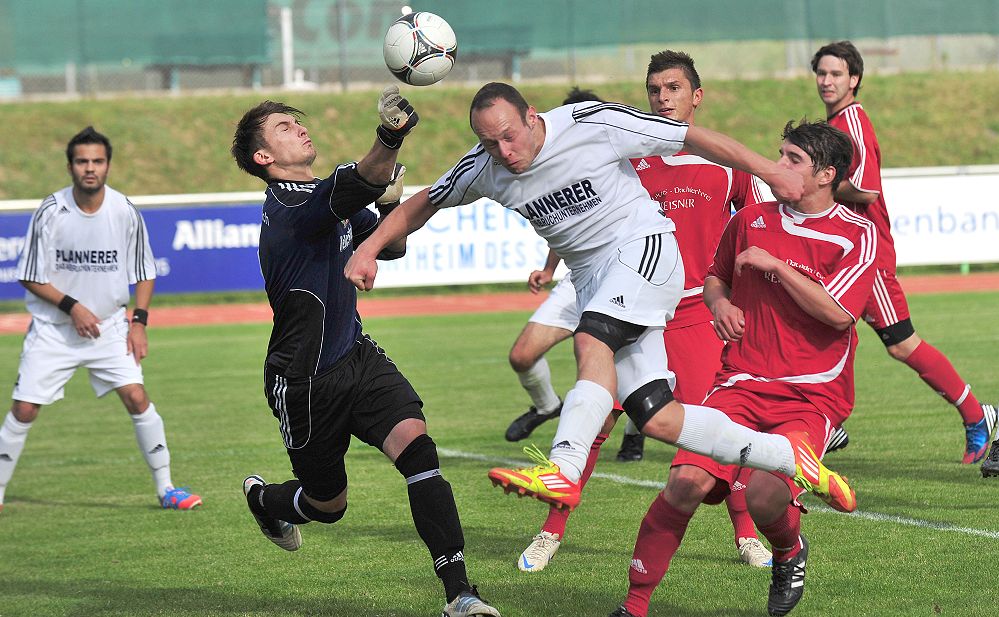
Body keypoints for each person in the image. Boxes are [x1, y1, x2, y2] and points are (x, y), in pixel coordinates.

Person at [345, 82, 858, 521]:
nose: (504, 150)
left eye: (510, 135)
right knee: (658, 417)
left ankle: (563, 468)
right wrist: (368, 249)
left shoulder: (589, 123)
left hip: (645, 248)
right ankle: (791, 458)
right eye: (489, 142)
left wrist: (769, 170)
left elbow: (689, 136)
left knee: (591, 339)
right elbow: (423, 202)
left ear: (531, 117)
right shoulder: (484, 166)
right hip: (594, 278)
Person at [229, 89, 500, 617]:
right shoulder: (291, 206)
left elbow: (392, 245)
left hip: (358, 356)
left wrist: (390, 201)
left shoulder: (323, 200)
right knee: (328, 505)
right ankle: (266, 501)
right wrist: (390, 136)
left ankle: (460, 595)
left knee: (419, 453)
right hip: (305, 381)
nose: (299, 129)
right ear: (263, 157)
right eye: (284, 127)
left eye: (297, 122)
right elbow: (361, 179)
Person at [512, 55, 775, 574]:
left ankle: (746, 533)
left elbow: (755, 232)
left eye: (674, 88)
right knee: (594, 422)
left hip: (697, 314)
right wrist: (552, 266)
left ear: (696, 96)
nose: (663, 98)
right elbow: (580, 218)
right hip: (632, 309)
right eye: (655, 89)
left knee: (717, 427)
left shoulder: (726, 165)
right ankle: (550, 531)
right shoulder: (628, 155)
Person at [609, 120, 878, 617]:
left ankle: (788, 550)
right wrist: (720, 305)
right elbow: (716, 278)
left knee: (763, 496)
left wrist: (777, 267)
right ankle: (633, 605)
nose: (777, 166)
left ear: (826, 175)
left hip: (810, 394)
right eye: (779, 154)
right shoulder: (751, 219)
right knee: (685, 483)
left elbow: (840, 314)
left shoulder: (857, 234)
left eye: (792, 159)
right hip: (739, 381)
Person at [811, 40, 997, 462]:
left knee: (900, 342)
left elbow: (866, 190)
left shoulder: (852, 122)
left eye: (836, 73)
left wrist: (811, 185)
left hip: (865, 255)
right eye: (822, 72)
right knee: (821, 326)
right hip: (840, 251)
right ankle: (827, 422)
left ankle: (976, 414)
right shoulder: (835, 123)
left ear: (854, 79)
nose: (827, 80)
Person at [0, 126, 201, 513]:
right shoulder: (51, 211)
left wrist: (138, 323)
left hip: (109, 328)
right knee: (24, 409)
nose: (89, 168)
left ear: (108, 165)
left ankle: (167, 489)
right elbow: (29, 275)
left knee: (137, 397)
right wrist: (72, 307)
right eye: (82, 161)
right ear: (70, 167)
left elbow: (144, 271)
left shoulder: (124, 211)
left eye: (97, 161)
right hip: (54, 331)